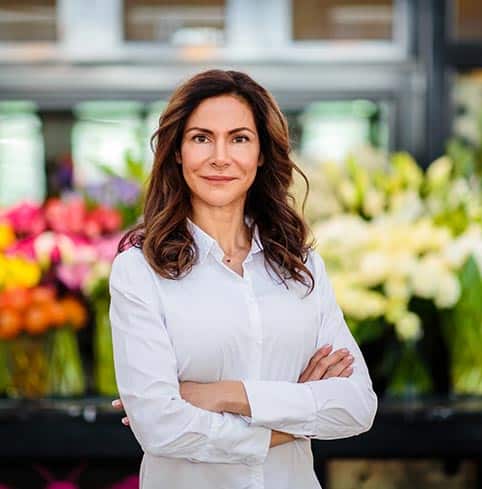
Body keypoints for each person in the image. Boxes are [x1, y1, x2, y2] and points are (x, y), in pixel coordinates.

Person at [108, 69, 377, 489]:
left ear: (262, 152)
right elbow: (161, 427)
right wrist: (296, 418)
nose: (220, 156)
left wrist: (223, 395)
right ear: (177, 151)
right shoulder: (139, 271)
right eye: (201, 138)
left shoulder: (300, 267)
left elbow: (357, 406)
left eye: (239, 138)